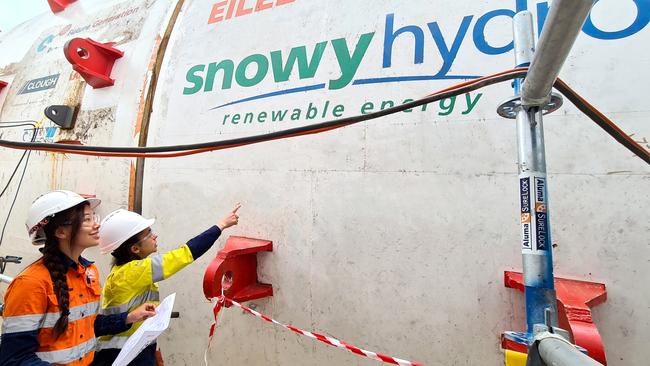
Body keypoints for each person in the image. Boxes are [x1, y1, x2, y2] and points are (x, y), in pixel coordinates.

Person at [0, 190, 157, 365]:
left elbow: (88, 326)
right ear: (61, 232)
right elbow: (14, 359)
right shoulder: (30, 284)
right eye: (87, 219)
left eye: (94, 217)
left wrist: (129, 318)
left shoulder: (89, 271)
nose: (96, 225)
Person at [90, 203, 241, 366]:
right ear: (134, 248)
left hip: (134, 350)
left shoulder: (128, 272)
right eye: (149, 234)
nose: (155, 236)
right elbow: (186, 254)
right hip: (123, 356)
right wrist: (221, 225)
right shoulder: (133, 272)